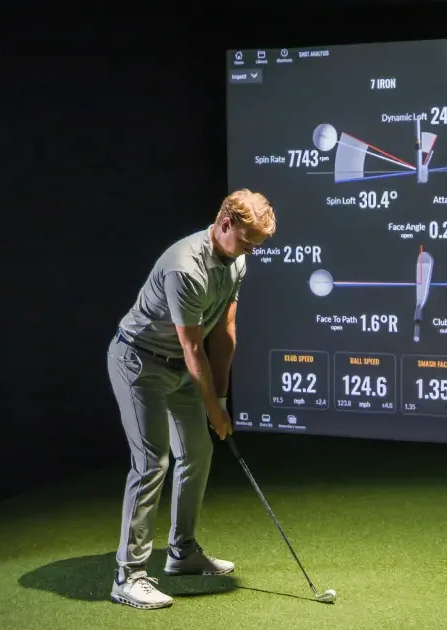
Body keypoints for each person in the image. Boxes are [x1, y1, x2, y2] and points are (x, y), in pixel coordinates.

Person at [106, 189, 276, 609]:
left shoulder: (237, 259)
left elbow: (226, 331)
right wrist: (214, 410)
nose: (252, 249)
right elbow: (193, 348)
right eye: (249, 240)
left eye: (258, 243)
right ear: (225, 224)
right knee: (152, 462)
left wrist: (219, 397)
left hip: (181, 369)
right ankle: (127, 574)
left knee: (197, 453)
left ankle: (181, 552)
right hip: (139, 362)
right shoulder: (186, 267)